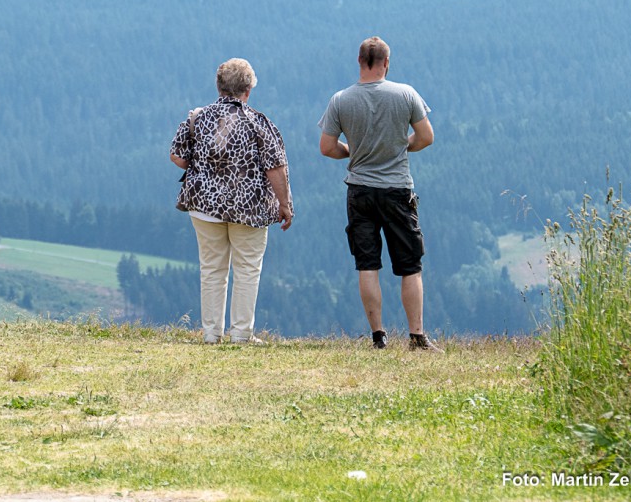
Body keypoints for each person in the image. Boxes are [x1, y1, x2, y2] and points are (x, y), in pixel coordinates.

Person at [318, 36, 441, 352]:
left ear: (359, 61)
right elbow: (426, 137)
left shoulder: (341, 100)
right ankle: (416, 336)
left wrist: (353, 152)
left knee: (367, 264)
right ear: (387, 63)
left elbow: (327, 147)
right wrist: (401, 146)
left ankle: (378, 336)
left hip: (359, 190)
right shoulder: (405, 94)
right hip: (397, 189)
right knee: (409, 265)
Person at [170, 58, 293, 345]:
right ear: (247, 90)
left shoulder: (197, 117)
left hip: (203, 205)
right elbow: (276, 167)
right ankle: (241, 334)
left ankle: (211, 333)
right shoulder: (258, 122)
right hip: (249, 207)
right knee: (247, 268)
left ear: (219, 86)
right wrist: (284, 204)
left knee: (212, 268)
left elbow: (177, 155)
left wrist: (204, 165)